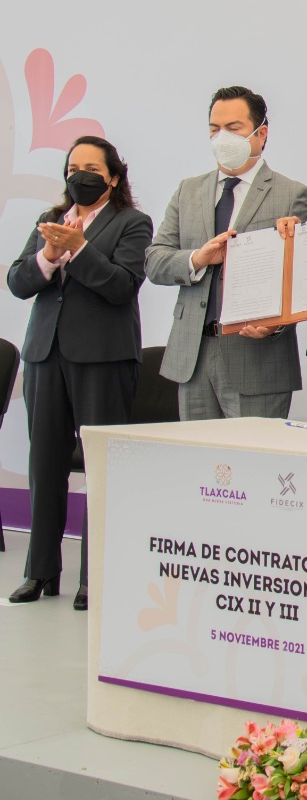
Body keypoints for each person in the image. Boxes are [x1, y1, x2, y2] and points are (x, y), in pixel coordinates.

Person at [6, 136, 153, 610]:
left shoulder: (132, 222)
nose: (80, 176)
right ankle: (40, 571)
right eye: (73, 168)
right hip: (45, 354)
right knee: (45, 463)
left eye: (91, 168)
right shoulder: (50, 219)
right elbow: (18, 281)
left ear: (113, 176)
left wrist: (80, 249)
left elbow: (122, 285)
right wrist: (49, 256)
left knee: (100, 468)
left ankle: (95, 576)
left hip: (103, 357)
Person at [145, 86, 307, 420]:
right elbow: (154, 261)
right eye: (214, 129)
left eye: (233, 128)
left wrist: (276, 325)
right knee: (197, 453)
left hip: (257, 359)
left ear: (261, 133)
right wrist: (197, 259)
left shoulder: (292, 194)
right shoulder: (188, 191)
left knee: (254, 453)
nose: (221, 138)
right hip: (193, 356)